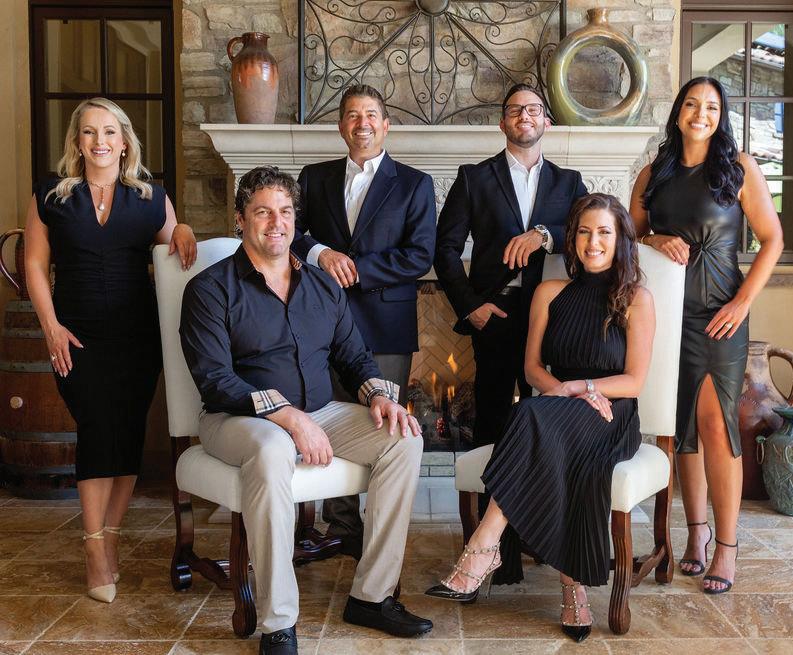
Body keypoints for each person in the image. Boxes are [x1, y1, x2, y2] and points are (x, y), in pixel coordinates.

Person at [179, 166, 432, 655]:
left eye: (285, 212)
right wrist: (287, 417)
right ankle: (278, 623)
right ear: (240, 220)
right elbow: (214, 379)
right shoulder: (209, 289)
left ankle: (372, 597)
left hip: (319, 413)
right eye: (263, 212)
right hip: (236, 420)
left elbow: (354, 357)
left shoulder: (322, 286)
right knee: (273, 448)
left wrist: (379, 396)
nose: (276, 223)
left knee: (403, 437)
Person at [426, 193, 655, 643]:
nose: (593, 242)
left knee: (531, 415)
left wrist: (579, 388)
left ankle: (483, 546)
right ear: (572, 239)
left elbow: (634, 381)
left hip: (611, 414)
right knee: (539, 419)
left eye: (604, 232)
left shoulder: (636, 298)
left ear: (620, 240)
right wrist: (564, 392)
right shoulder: (549, 292)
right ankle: (572, 588)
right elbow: (531, 369)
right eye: (584, 232)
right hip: (555, 408)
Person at [24, 97, 197, 604]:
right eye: (89, 132)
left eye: (108, 132)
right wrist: (51, 328)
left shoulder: (150, 197)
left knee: (127, 434)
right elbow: (34, 264)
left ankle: (111, 535)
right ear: (77, 143)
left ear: (124, 142)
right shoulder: (50, 196)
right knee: (98, 428)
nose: (99, 141)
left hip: (137, 336)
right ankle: (94, 546)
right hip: (75, 335)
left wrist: (183, 226)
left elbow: (173, 243)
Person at [630, 76, 783, 594]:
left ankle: (726, 547)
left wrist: (743, 302)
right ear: (678, 113)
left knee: (717, 427)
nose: (701, 114)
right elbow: (629, 235)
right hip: (666, 315)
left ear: (721, 117)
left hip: (721, 315)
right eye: (692, 104)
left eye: (712, 107)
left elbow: (772, 239)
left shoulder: (739, 169)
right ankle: (695, 535)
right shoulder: (654, 173)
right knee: (682, 429)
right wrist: (656, 237)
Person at [294, 84, 436, 558]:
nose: (363, 123)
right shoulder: (313, 178)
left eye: (371, 114)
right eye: (353, 115)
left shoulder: (415, 184)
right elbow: (291, 232)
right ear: (341, 126)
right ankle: (342, 528)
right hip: (322, 325)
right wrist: (321, 252)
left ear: (386, 125)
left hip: (386, 325)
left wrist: (355, 269)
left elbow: (420, 255)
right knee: (332, 419)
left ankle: (380, 531)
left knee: (386, 425)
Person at [434, 83, 588, 451]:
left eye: (533, 109)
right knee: (492, 417)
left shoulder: (569, 183)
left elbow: (589, 236)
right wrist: (470, 306)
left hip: (553, 314)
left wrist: (543, 235)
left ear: (546, 122)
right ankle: (486, 490)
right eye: (515, 110)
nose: (524, 116)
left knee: (548, 413)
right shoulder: (473, 178)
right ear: (503, 123)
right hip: (495, 312)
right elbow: (444, 249)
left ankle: (538, 486)